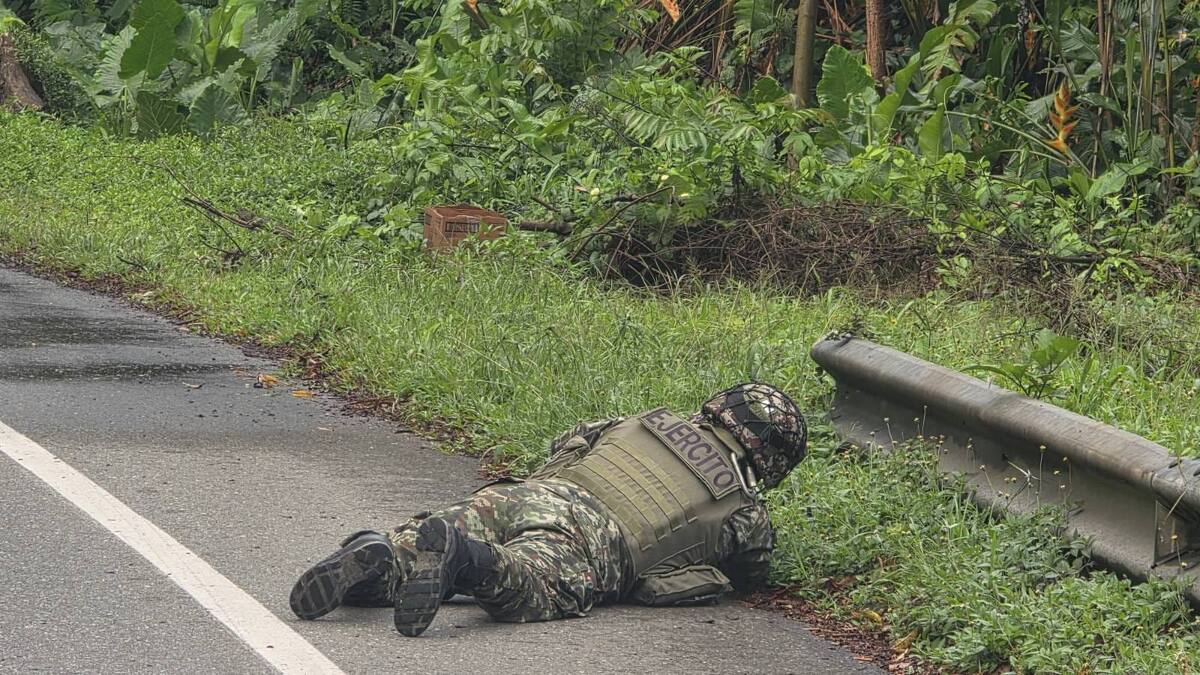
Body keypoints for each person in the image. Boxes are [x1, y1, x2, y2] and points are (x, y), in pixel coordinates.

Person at [288, 382, 807, 637]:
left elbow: (570, 440)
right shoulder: (744, 510)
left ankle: (377, 556)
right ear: (772, 457)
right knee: (530, 586)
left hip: (532, 492)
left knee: (415, 548)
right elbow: (753, 573)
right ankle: (463, 560)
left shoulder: (646, 420)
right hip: (596, 536)